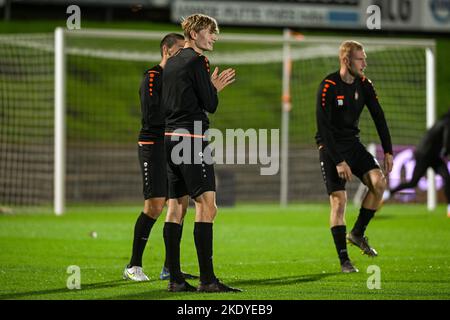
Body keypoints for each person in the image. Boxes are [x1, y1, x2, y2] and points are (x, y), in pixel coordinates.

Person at [161, 13, 241, 292]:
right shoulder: (198, 61)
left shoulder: (170, 62)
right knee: (208, 206)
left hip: (169, 139)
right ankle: (207, 281)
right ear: (194, 34)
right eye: (210, 32)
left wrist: (205, 90)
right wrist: (213, 87)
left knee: (175, 208)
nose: (214, 37)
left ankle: (175, 280)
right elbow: (210, 103)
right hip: (192, 140)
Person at [123, 33, 197, 282]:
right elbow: (152, 113)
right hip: (153, 144)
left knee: (180, 204)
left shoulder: (179, 78)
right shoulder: (153, 76)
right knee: (155, 205)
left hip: (174, 143)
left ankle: (170, 268)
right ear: (166, 50)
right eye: (178, 51)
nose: (181, 56)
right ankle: (133, 265)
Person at [315, 40, 394, 273]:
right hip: (330, 148)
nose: (365, 64)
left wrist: (388, 150)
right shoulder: (328, 86)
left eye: (365, 58)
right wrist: (338, 160)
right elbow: (323, 128)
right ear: (346, 60)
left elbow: (379, 117)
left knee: (379, 184)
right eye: (361, 59)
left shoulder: (364, 85)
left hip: (353, 144)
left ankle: (358, 233)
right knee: (339, 201)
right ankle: (344, 261)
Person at [384, 109, 450, 216]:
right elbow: (447, 141)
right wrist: (446, 151)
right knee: (413, 182)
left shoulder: (441, 122)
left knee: (447, 178)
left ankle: (449, 208)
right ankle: (387, 193)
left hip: (432, 156)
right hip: (424, 155)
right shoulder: (446, 123)